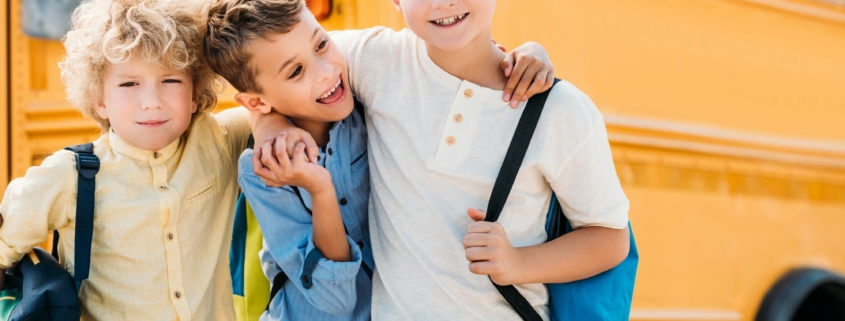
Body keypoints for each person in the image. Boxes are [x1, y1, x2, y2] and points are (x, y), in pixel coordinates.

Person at [256, 0, 632, 319]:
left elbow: (610, 239)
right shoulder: (377, 60)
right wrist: (268, 122)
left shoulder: (561, 111)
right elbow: (271, 70)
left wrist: (520, 263)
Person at [203, 0, 555, 320]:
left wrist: (530, 53)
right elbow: (333, 300)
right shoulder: (265, 170)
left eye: (322, 44)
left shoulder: (371, 102)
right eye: (296, 72)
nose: (325, 71)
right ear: (255, 103)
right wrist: (319, 188)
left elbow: (453, 59)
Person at [0, 0, 289, 319]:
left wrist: (270, 122)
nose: (151, 102)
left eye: (170, 81)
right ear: (100, 101)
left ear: (195, 94)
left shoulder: (217, 141)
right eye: (129, 84)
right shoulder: (70, 175)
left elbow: (273, 104)